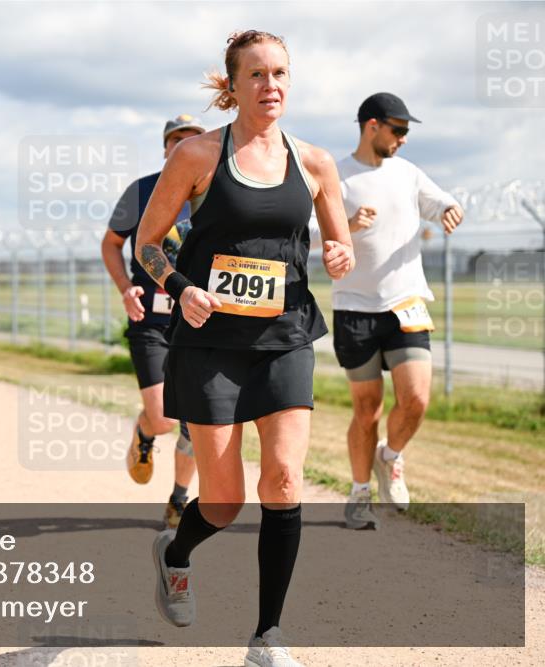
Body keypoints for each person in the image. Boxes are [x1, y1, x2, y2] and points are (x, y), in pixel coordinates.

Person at [136, 31, 353, 666]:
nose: (271, 85)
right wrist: (180, 287)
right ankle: (176, 554)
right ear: (233, 86)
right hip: (210, 345)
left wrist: (341, 252)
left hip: (286, 338)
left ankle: (267, 637)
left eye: (280, 72)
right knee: (225, 501)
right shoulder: (198, 156)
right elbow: (149, 243)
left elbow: (339, 243)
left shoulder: (314, 162)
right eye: (255, 75)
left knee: (284, 480)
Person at [333, 93, 463, 529]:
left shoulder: (407, 173)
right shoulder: (337, 176)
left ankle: (390, 457)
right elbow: (307, 232)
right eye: (398, 130)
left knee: (417, 399)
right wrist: (348, 226)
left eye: (407, 132)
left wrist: (448, 209)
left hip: (405, 304)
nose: (404, 140)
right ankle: (358, 493)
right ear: (372, 126)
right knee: (366, 409)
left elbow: (439, 200)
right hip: (354, 309)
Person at [101, 114, 203, 529]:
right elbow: (111, 245)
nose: (183, 145)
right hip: (149, 318)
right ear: (165, 147)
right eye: (176, 139)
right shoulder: (142, 190)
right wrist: (125, 286)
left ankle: (179, 498)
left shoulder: (215, 193)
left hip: (198, 320)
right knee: (162, 417)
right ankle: (145, 434)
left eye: (193, 139)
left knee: (195, 422)